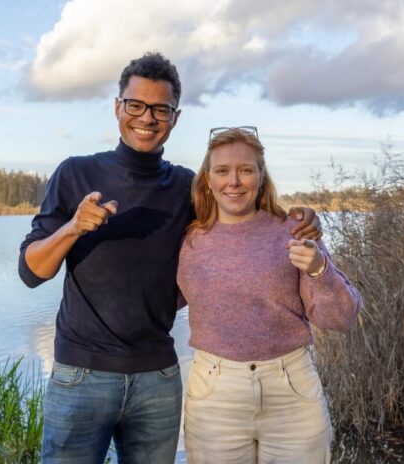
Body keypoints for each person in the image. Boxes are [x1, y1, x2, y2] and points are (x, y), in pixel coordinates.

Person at [18, 53, 321, 464]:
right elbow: (31, 272)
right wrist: (73, 227)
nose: (147, 117)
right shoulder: (75, 174)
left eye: (160, 108)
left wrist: (297, 220)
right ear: (117, 107)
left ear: (175, 117)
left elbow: (241, 219)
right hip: (81, 375)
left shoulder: (186, 187)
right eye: (135, 105)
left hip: (158, 378)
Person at [177, 127, 362, 464]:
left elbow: (340, 318)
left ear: (261, 177)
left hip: (291, 389)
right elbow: (154, 303)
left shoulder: (293, 232)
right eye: (222, 171)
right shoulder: (189, 241)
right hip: (215, 393)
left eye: (245, 170)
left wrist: (320, 269)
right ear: (207, 179)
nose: (234, 181)